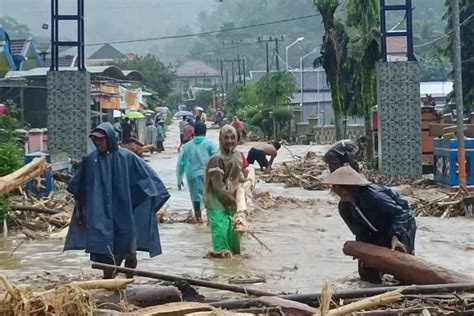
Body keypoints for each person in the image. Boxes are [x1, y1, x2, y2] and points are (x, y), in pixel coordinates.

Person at [64, 122, 170, 279]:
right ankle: (109, 284)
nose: (98, 143)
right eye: (96, 140)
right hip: (101, 215)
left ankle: (128, 281)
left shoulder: (127, 158)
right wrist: (79, 212)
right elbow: (80, 188)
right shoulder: (90, 161)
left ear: (110, 139)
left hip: (125, 213)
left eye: (101, 139)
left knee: (130, 252)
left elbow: (150, 182)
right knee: (105, 252)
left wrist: (145, 205)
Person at [322, 165, 417, 283]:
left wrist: (395, 236)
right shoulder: (344, 208)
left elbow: (400, 213)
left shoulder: (374, 196)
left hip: (401, 224)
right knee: (367, 273)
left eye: (344, 188)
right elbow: (360, 232)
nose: (341, 192)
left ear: (353, 187)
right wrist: (361, 250)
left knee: (403, 265)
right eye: (337, 189)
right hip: (375, 232)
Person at [204, 125, 244, 258]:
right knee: (221, 234)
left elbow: (239, 175)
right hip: (217, 201)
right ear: (221, 139)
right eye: (226, 137)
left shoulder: (238, 155)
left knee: (234, 235)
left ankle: (234, 267)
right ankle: (221, 271)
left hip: (232, 200)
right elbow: (217, 186)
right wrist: (230, 199)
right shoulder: (217, 159)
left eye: (233, 137)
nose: (229, 141)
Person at [176, 122, 218, 223]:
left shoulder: (186, 146)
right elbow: (217, 159)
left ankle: (198, 219)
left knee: (195, 197)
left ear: (194, 132)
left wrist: (179, 179)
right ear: (205, 132)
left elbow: (181, 163)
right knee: (210, 196)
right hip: (208, 174)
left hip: (192, 174)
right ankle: (210, 220)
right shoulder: (211, 144)